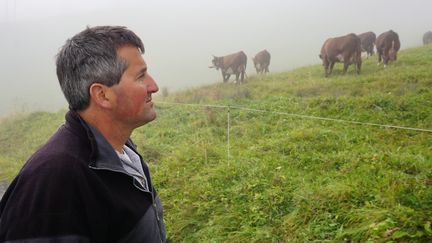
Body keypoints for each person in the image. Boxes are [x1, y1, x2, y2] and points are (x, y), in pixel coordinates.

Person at [0, 26, 166, 242]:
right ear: (102, 95)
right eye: (141, 76)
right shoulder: (56, 183)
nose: (154, 86)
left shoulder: (122, 152)